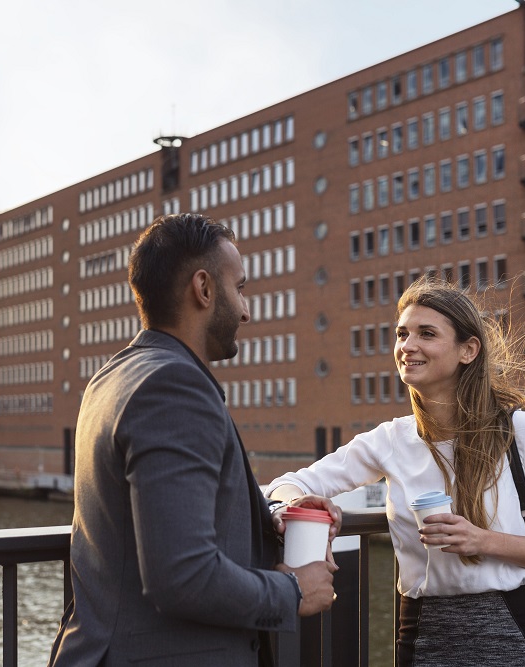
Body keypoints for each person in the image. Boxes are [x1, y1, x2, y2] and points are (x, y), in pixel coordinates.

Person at [265, 276, 525, 666]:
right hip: (422, 635)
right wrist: (299, 504)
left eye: (426, 334)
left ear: (468, 350)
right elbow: (285, 485)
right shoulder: (390, 439)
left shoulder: (522, 432)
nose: (407, 346)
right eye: (402, 334)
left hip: (514, 633)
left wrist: (484, 541)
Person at [48, 213, 338, 667]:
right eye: (239, 288)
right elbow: (182, 574)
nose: (246, 310)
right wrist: (294, 590)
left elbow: (167, 514)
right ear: (203, 289)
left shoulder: (111, 378)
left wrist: (276, 516)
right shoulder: (174, 387)